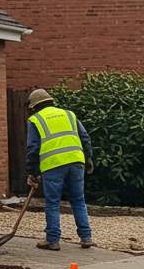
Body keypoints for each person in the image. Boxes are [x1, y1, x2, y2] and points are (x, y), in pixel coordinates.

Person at [25, 88, 93, 251]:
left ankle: (52, 240)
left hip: (53, 164)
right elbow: (85, 137)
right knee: (78, 200)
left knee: (53, 202)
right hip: (77, 161)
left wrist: (32, 173)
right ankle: (86, 238)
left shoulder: (35, 120)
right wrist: (88, 158)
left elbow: (33, 148)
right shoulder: (69, 114)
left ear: (34, 107)